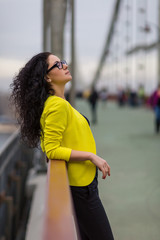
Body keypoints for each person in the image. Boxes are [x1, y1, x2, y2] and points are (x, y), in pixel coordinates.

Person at [10, 52, 114, 240]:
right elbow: (51, 149)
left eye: (63, 62)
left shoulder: (58, 103)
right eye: (58, 65)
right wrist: (91, 156)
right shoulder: (57, 106)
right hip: (81, 188)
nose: (65, 66)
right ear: (47, 77)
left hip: (84, 183)